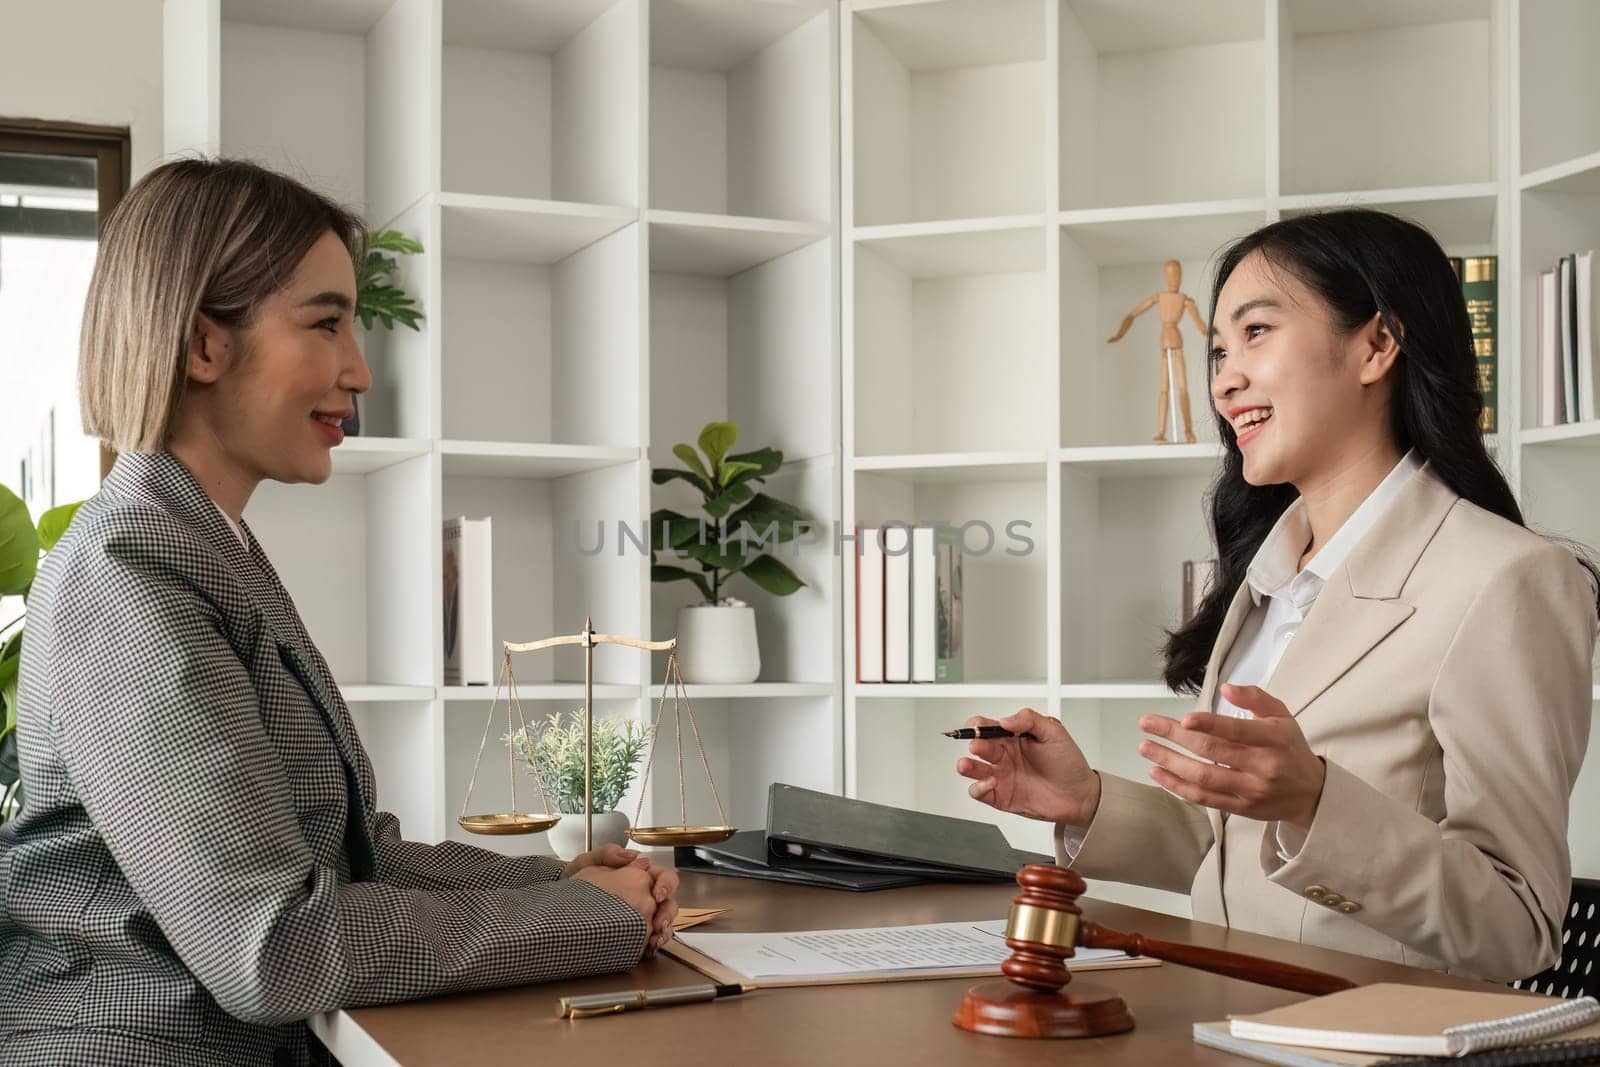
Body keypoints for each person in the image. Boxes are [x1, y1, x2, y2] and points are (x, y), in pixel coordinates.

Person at [0, 159, 678, 1067]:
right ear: (205, 345)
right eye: (325, 323)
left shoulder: (207, 544)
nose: (358, 369)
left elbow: (355, 854)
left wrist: (558, 880)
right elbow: (270, 947)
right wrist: (585, 922)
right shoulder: (125, 573)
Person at [957, 209, 1599, 983]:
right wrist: (1087, 800)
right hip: (1217, 1015)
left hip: (1367, 1037)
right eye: (1219, 350)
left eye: (1257, 332)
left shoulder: (1509, 580)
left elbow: (1517, 929)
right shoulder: (1270, 575)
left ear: (1377, 344)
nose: (1224, 378)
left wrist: (1316, 801)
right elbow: (1237, 848)